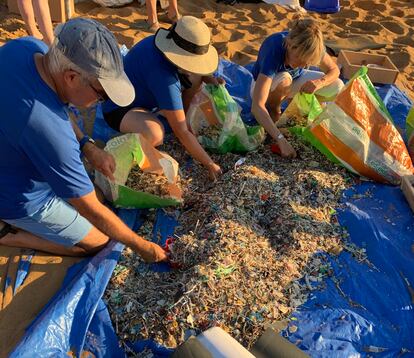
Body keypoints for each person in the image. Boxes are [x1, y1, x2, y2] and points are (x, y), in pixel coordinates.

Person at [0, 18, 167, 262]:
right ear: (71, 77)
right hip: (17, 198)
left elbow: (52, 104)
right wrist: (143, 247)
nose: (101, 101)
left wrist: (87, 146)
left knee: (98, 194)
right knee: (99, 241)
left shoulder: (26, 47)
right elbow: (90, 209)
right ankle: (11, 236)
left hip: (12, 153)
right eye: (101, 94)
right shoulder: (51, 132)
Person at [102, 16, 223, 181]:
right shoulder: (163, 76)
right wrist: (210, 164)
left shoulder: (164, 44)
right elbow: (181, 131)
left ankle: (178, 119)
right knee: (155, 133)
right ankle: (122, 149)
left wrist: (211, 80)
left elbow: (200, 74)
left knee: (196, 78)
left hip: (146, 97)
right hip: (119, 107)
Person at [251, 17, 344, 158]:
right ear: (290, 45)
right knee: (284, 79)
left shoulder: (313, 45)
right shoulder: (274, 48)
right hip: (263, 85)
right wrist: (280, 139)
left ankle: (299, 112)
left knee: (337, 85)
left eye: (307, 62)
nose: (304, 65)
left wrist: (320, 82)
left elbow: (334, 70)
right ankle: (275, 113)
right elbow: (257, 106)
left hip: (293, 80)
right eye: (300, 60)